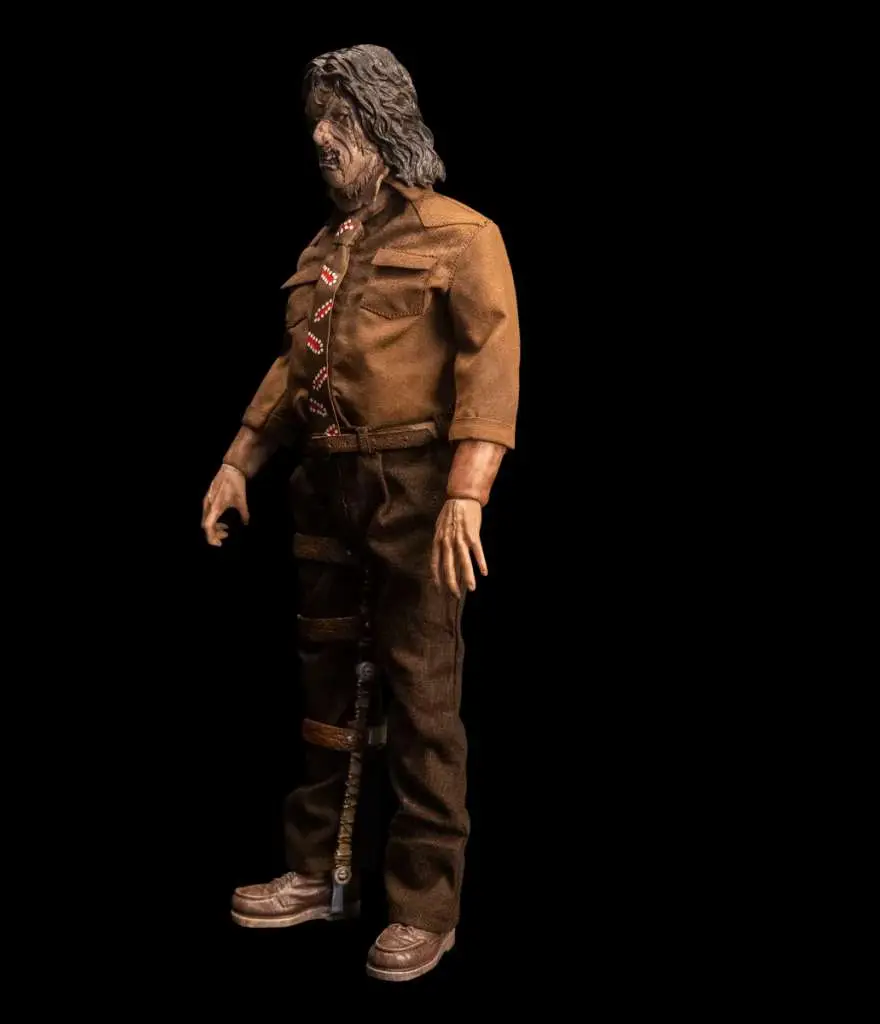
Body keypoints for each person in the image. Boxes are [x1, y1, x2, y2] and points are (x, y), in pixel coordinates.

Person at [202, 43, 520, 983]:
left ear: (383, 126)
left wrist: (465, 492)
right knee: (328, 687)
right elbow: (292, 369)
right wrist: (237, 461)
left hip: (413, 488)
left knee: (423, 693)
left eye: (339, 119)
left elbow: (492, 368)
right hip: (325, 488)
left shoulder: (461, 235)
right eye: (318, 119)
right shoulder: (324, 250)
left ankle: (424, 905)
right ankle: (317, 872)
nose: (320, 137)